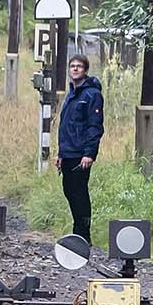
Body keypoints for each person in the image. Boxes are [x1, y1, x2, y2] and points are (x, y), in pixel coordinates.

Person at [56, 51, 105, 242]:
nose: (75, 69)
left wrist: (89, 153)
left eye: (79, 66)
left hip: (81, 154)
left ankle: (83, 235)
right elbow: (65, 127)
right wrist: (60, 153)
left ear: (85, 70)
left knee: (80, 194)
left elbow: (95, 126)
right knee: (69, 191)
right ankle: (78, 232)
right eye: (72, 66)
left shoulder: (91, 95)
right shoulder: (72, 95)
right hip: (68, 153)